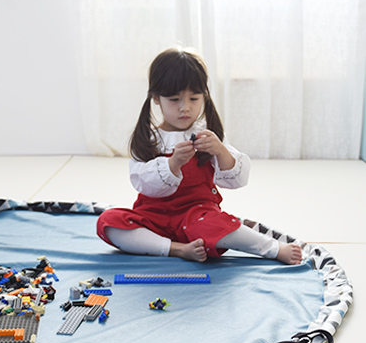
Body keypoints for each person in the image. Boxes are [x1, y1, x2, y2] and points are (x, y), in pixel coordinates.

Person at [96, 47, 302, 265]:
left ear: (204, 96)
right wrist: (173, 164)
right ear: (156, 98)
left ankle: (273, 249)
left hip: (198, 217)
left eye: (194, 98)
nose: (185, 108)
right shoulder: (149, 138)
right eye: (174, 99)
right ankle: (176, 249)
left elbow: (237, 180)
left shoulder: (207, 135)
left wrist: (220, 151)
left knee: (218, 224)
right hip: (154, 220)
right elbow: (141, 182)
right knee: (108, 221)